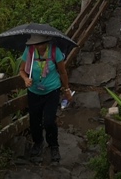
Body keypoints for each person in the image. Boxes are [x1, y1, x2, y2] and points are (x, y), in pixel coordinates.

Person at [19, 34, 73, 164]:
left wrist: (67, 89)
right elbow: (22, 70)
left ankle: (53, 145)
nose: (39, 46)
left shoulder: (55, 51)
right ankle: (38, 143)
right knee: (34, 120)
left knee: (49, 120)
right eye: (36, 44)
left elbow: (62, 72)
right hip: (34, 91)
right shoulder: (30, 51)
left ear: (47, 42)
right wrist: (26, 79)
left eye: (42, 43)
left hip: (52, 91)